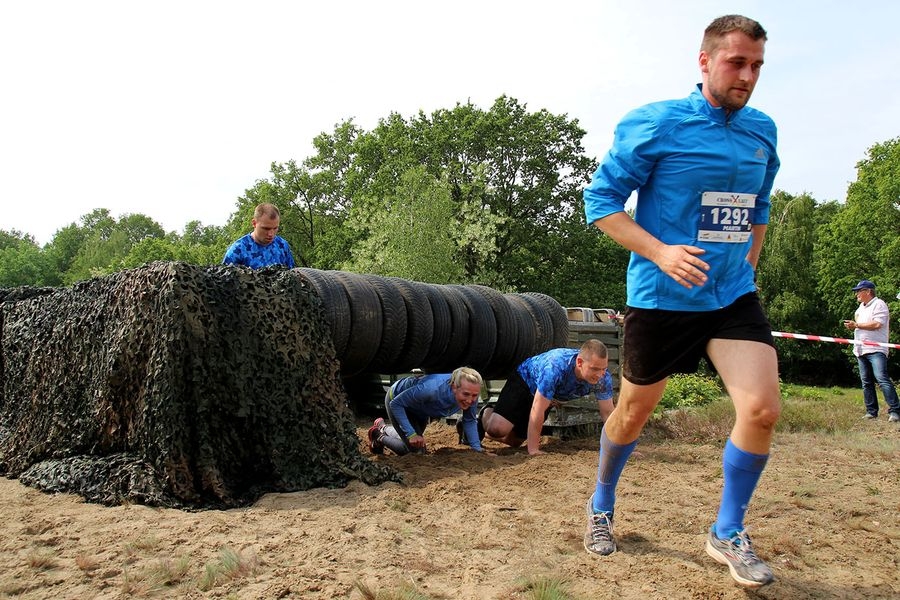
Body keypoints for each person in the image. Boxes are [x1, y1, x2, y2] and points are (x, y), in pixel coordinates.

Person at [581, 15, 780, 588]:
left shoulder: (763, 129)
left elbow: (760, 205)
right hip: (663, 297)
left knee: (762, 410)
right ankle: (601, 501)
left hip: (731, 296)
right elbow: (601, 202)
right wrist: (661, 252)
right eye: (737, 62)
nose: (748, 76)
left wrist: (748, 264)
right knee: (632, 413)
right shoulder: (657, 123)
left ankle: (727, 530)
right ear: (705, 60)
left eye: (757, 66)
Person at [480, 339, 614, 455]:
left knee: (514, 441)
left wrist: (618, 446)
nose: (600, 374)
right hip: (524, 381)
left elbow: (608, 413)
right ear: (579, 363)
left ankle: (488, 430)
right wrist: (533, 450)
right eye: (595, 369)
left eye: (604, 369)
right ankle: (486, 412)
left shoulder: (604, 378)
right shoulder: (555, 367)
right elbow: (537, 409)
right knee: (497, 429)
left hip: (547, 396)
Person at [368, 367, 484, 456]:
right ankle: (378, 435)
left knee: (412, 442)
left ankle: (383, 428)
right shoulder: (432, 389)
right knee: (415, 451)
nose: (470, 400)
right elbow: (396, 404)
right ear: (454, 387)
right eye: (466, 394)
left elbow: (469, 420)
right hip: (398, 401)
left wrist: (477, 449)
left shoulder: (471, 391)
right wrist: (411, 434)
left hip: (421, 410)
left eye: (475, 395)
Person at [843, 280, 899, 422]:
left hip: (876, 349)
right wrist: (854, 326)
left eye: (859, 291)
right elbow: (860, 326)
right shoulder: (859, 309)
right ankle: (871, 411)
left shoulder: (879, 304)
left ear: (868, 291)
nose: (856, 294)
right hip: (861, 349)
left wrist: (856, 325)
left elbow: (877, 324)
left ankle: (895, 411)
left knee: (881, 378)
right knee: (866, 382)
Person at [222, 203, 296, 268]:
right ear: (254, 223)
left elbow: (292, 274)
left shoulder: (282, 245)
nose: (271, 234)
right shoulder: (237, 251)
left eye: (275, 228)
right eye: (266, 228)